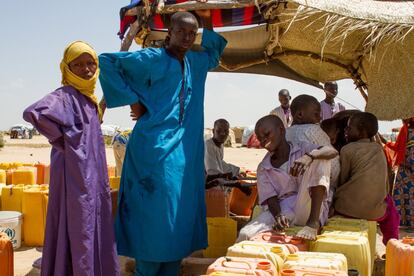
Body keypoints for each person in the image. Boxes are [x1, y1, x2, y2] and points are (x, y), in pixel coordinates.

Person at [98, 10, 227, 276]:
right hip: (154, 152)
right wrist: (134, 99)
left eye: (192, 33)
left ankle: (169, 269)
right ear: (170, 33)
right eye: (182, 32)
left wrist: (208, 20)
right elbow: (107, 62)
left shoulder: (196, 61)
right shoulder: (152, 58)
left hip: (187, 155)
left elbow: (214, 55)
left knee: (180, 215)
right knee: (154, 216)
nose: (187, 38)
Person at [23, 41, 119, 276]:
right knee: (78, 225)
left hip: (92, 175)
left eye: (90, 63)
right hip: (73, 175)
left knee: (90, 224)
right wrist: (64, 141)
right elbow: (34, 113)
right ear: (67, 68)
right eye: (78, 64)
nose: (86, 69)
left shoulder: (89, 99)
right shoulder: (66, 95)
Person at [237, 115, 338, 241]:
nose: (263, 141)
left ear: (281, 129)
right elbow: (271, 198)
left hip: (309, 205)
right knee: (245, 234)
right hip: (284, 210)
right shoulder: (264, 167)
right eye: (260, 138)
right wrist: (278, 216)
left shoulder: (303, 148)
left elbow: (332, 152)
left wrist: (310, 156)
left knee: (321, 157)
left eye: (267, 134)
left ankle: (313, 224)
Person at [334, 112, 399, 244]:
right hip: (376, 212)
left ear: (361, 131)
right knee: (392, 213)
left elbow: (342, 180)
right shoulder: (379, 149)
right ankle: (392, 242)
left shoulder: (346, 149)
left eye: (349, 128)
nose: (345, 131)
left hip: (345, 209)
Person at [286, 95, 340, 192]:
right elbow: (335, 168)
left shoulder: (286, 133)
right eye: (316, 114)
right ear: (300, 115)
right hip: (314, 192)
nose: (319, 118)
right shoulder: (312, 129)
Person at [390, 117, 414, 231]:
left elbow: (397, 147)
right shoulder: (405, 130)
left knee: (406, 195)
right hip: (405, 168)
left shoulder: (406, 130)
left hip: (407, 168)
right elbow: (398, 147)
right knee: (404, 194)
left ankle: (408, 223)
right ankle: (406, 223)